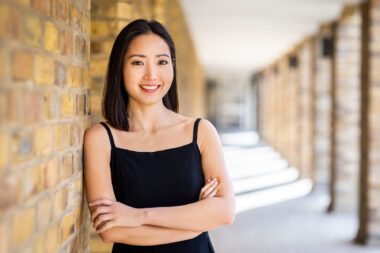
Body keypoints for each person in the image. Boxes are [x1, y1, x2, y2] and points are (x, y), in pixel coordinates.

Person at [83, 19, 235, 252]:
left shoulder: (201, 132)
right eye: (137, 62)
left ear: (172, 66)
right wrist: (197, 221)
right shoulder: (101, 138)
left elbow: (225, 211)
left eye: (162, 61)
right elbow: (111, 230)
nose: (151, 75)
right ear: (120, 68)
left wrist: (137, 216)